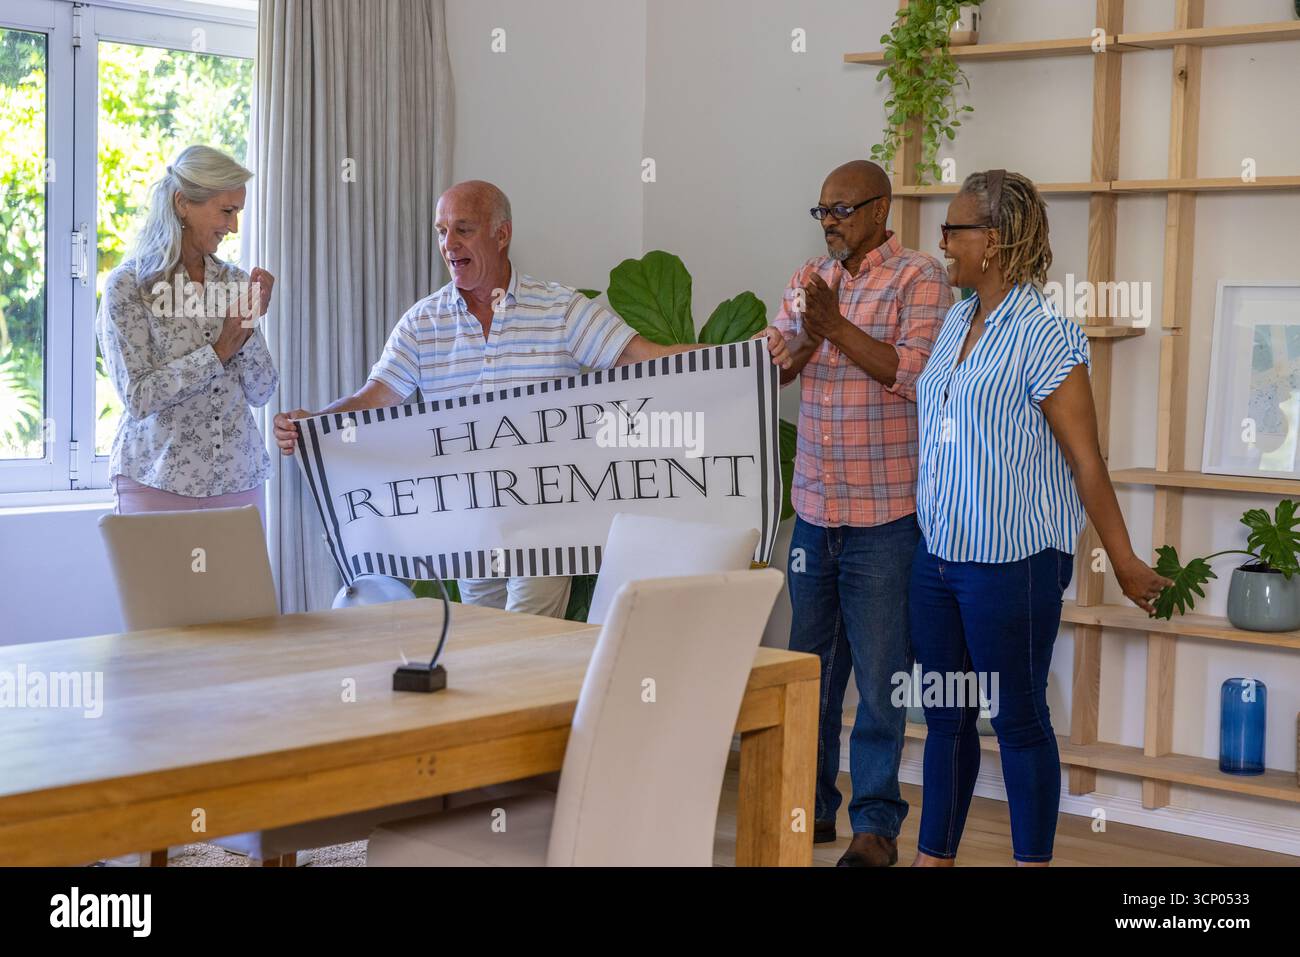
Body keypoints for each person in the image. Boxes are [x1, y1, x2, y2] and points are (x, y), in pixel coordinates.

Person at [274, 180, 696, 617]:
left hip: (546, 520)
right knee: (480, 643)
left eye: (463, 229)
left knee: (529, 643)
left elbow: (648, 358)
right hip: (468, 518)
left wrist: (751, 356)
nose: (448, 244)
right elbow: (378, 395)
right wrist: (313, 423)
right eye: (441, 231)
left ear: (502, 233)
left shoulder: (559, 308)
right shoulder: (424, 322)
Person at [910, 169, 1170, 866]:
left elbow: (1087, 459)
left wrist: (1124, 561)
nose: (943, 243)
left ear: (992, 241)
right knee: (945, 717)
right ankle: (933, 858)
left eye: (954, 230)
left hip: (1011, 563)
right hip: (936, 556)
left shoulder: (1045, 334)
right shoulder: (954, 321)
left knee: (1018, 719)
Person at [756, 160, 952, 866]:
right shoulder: (813, 277)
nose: (830, 223)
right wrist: (795, 339)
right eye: (822, 212)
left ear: (880, 209)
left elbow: (916, 374)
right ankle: (810, 809)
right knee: (809, 670)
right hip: (813, 509)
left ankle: (876, 827)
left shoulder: (921, 278)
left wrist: (834, 326)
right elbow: (779, 366)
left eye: (841, 210)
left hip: (885, 517)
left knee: (879, 677)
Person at [96, 144, 277, 524]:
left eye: (238, 213)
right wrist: (219, 350)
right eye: (226, 211)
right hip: (155, 482)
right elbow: (139, 397)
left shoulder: (234, 282)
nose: (234, 226)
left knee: (243, 588)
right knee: (161, 588)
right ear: (183, 203)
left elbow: (262, 392)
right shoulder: (129, 287)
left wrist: (250, 325)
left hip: (238, 483)